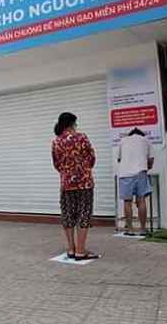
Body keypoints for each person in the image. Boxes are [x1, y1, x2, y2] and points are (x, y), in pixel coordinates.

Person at [51, 112, 100, 261]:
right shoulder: (82, 138)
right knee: (83, 214)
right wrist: (82, 169)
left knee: (68, 215)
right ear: (72, 124)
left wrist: (67, 172)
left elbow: (57, 164)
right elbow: (91, 159)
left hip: (66, 185)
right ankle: (80, 250)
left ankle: (71, 249)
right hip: (84, 183)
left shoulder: (56, 142)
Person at [117, 128, 154, 236]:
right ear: (141, 134)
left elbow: (119, 159)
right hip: (140, 172)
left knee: (127, 202)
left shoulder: (123, 141)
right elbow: (151, 160)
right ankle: (143, 229)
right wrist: (147, 167)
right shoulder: (146, 140)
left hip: (125, 174)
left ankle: (130, 230)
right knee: (141, 200)